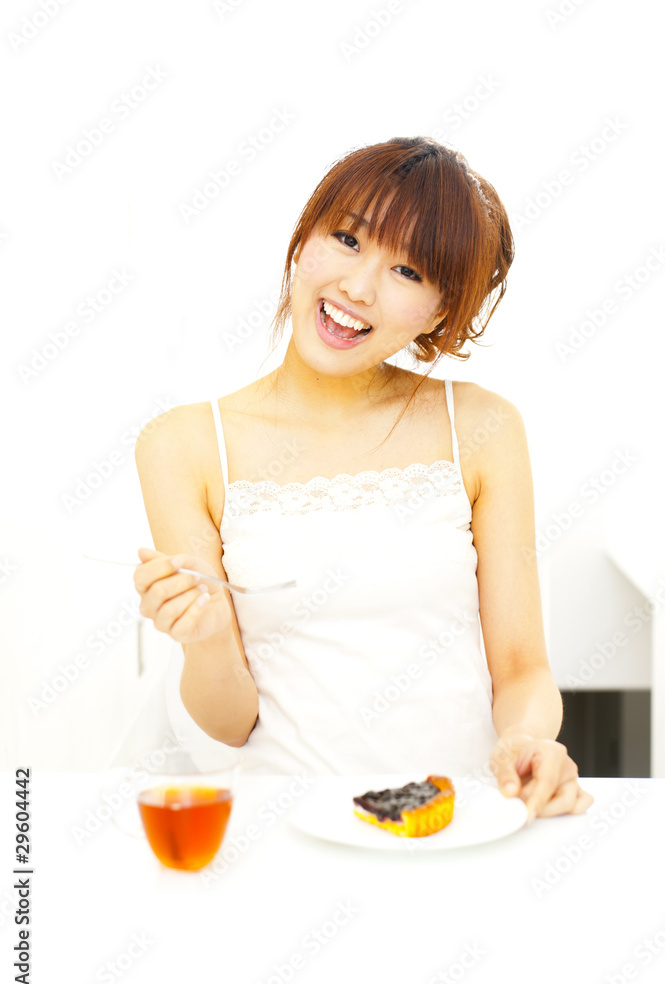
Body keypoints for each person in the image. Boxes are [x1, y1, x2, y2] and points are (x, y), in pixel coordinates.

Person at [133, 136, 593, 824]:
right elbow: (228, 724)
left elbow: (522, 666)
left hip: (456, 819)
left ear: (439, 311)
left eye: (407, 271)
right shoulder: (186, 444)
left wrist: (528, 742)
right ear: (302, 241)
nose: (357, 287)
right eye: (347, 239)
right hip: (287, 824)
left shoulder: (482, 427)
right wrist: (199, 637)